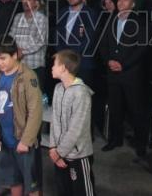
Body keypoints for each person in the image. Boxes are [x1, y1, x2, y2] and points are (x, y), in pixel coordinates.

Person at [0, 35, 43, 196]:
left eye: (3, 58)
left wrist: (26, 140)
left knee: (32, 183)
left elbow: (35, 111)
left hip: (23, 140)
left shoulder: (28, 76)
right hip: (6, 139)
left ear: (15, 55)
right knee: (13, 180)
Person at [99, 0, 148, 157]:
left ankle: (141, 144)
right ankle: (115, 139)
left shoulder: (140, 22)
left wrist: (123, 64)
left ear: (132, 4)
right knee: (115, 108)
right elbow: (103, 44)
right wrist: (108, 61)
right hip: (112, 73)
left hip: (131, 73)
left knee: (136, 110)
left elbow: (141, 49)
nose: (120, 2)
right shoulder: (111, 20)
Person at [49, 49, 96, 196]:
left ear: (63, 68)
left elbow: (76, 129)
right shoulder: (57, 88)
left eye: (54, 64)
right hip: (59, 154)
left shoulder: (81, 93)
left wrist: (59, 152)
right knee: (64, 190)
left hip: (77, 155)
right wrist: (53, 147)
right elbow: (54, 119)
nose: (51, 67)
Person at [9, 0, 48, 89]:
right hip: (18, 64)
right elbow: (11, 36)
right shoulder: (18, 17)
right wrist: (14, 50)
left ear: (36, 3)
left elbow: (39, 41)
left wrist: (22, 51)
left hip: (34, 65)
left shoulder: (41, 18)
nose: (25, 2)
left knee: (35, 99)